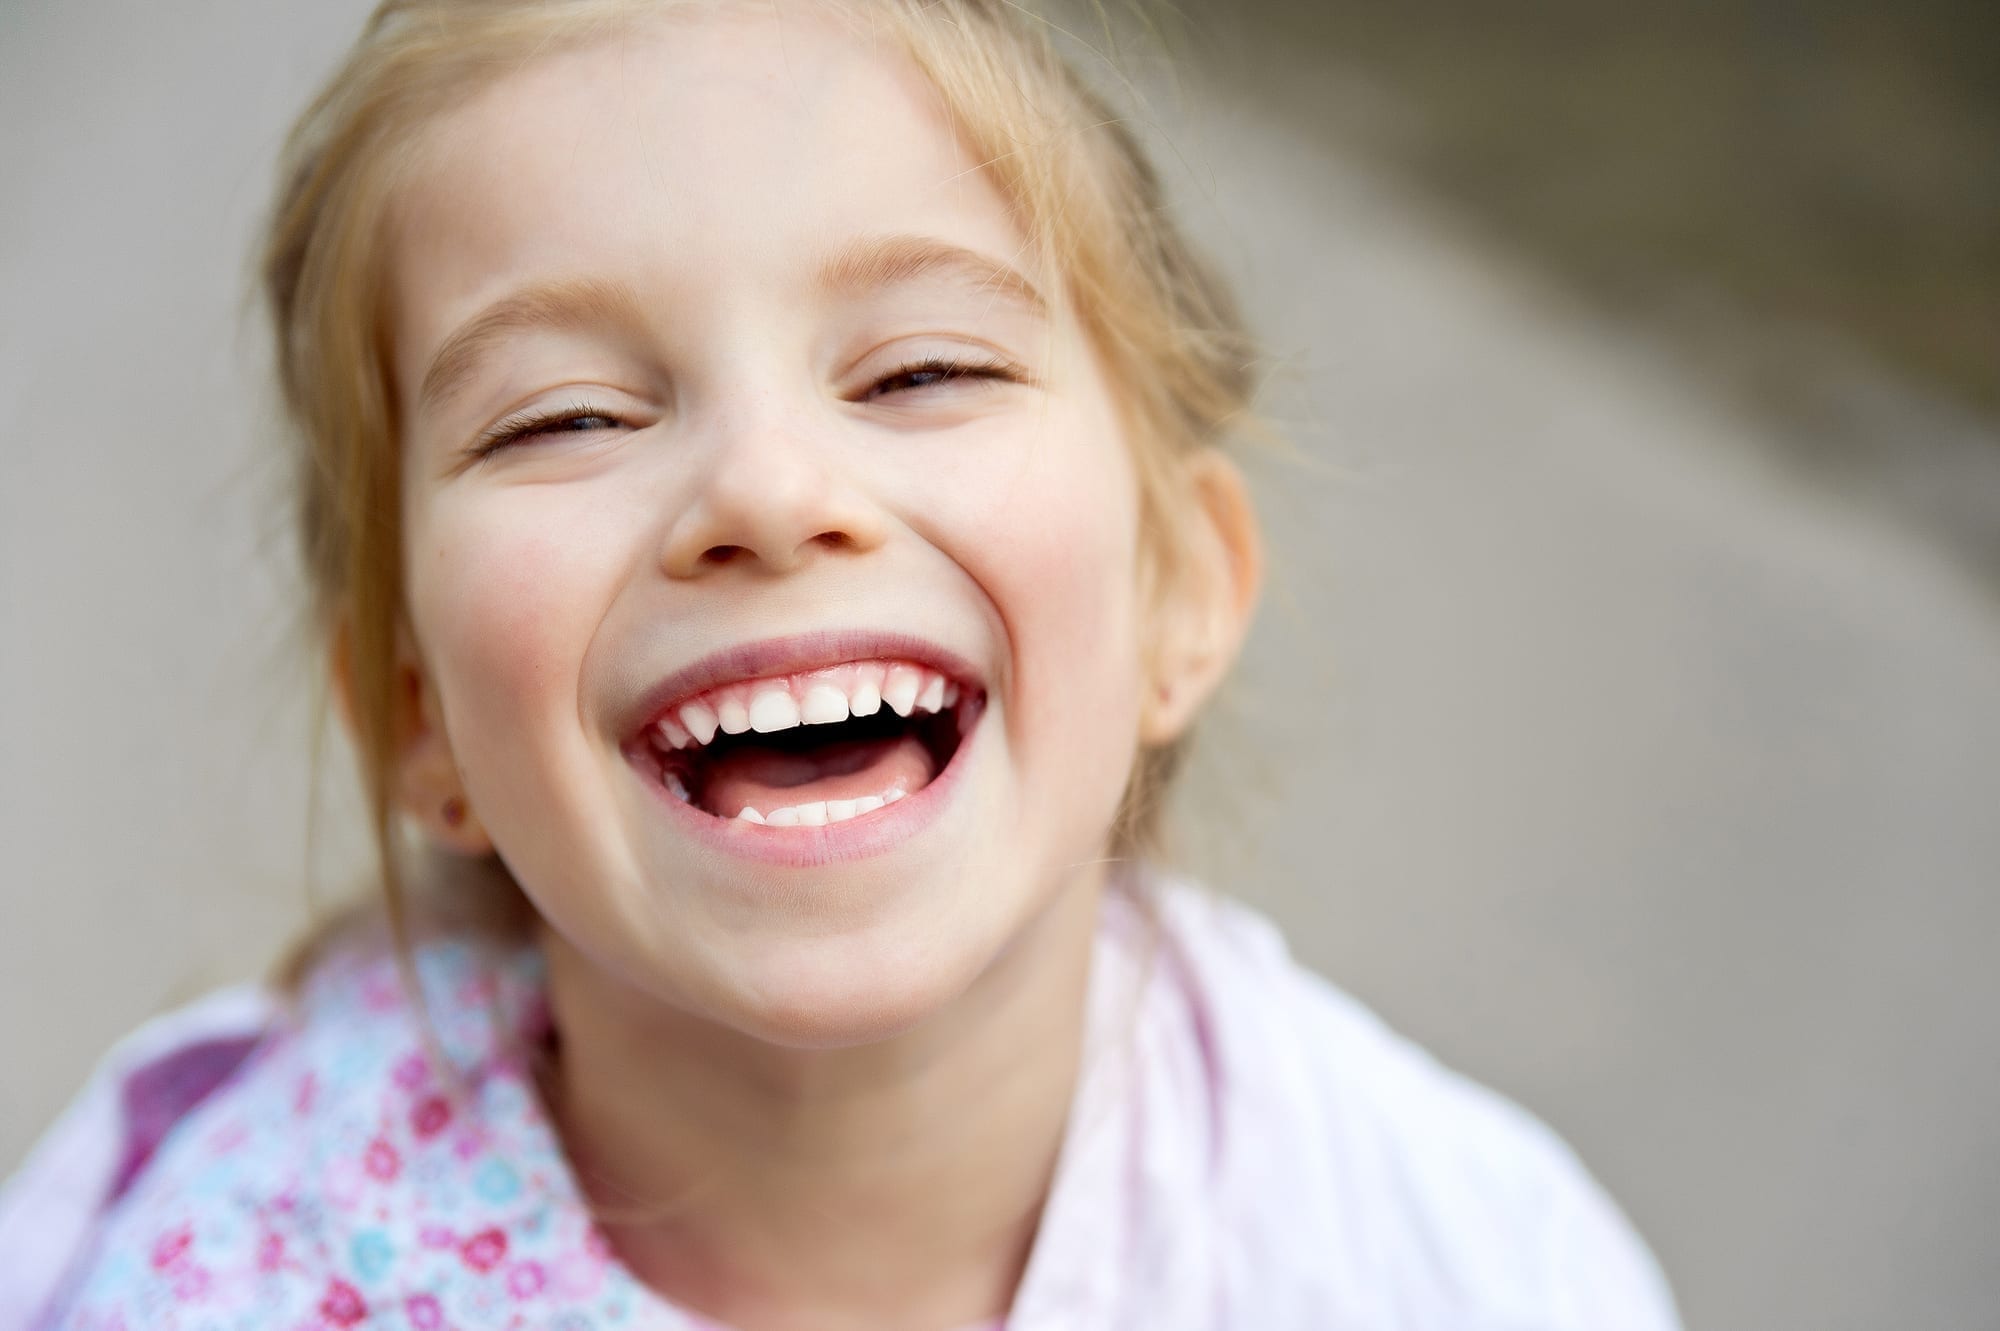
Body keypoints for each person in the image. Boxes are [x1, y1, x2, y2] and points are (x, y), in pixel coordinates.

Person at [0, 2, 1681, 1327]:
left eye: (922, 371)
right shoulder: (217, 1283)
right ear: (423, 719)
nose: (769, 493)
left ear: (1181, 589)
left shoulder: (1455, 1271)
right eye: (569, 415)